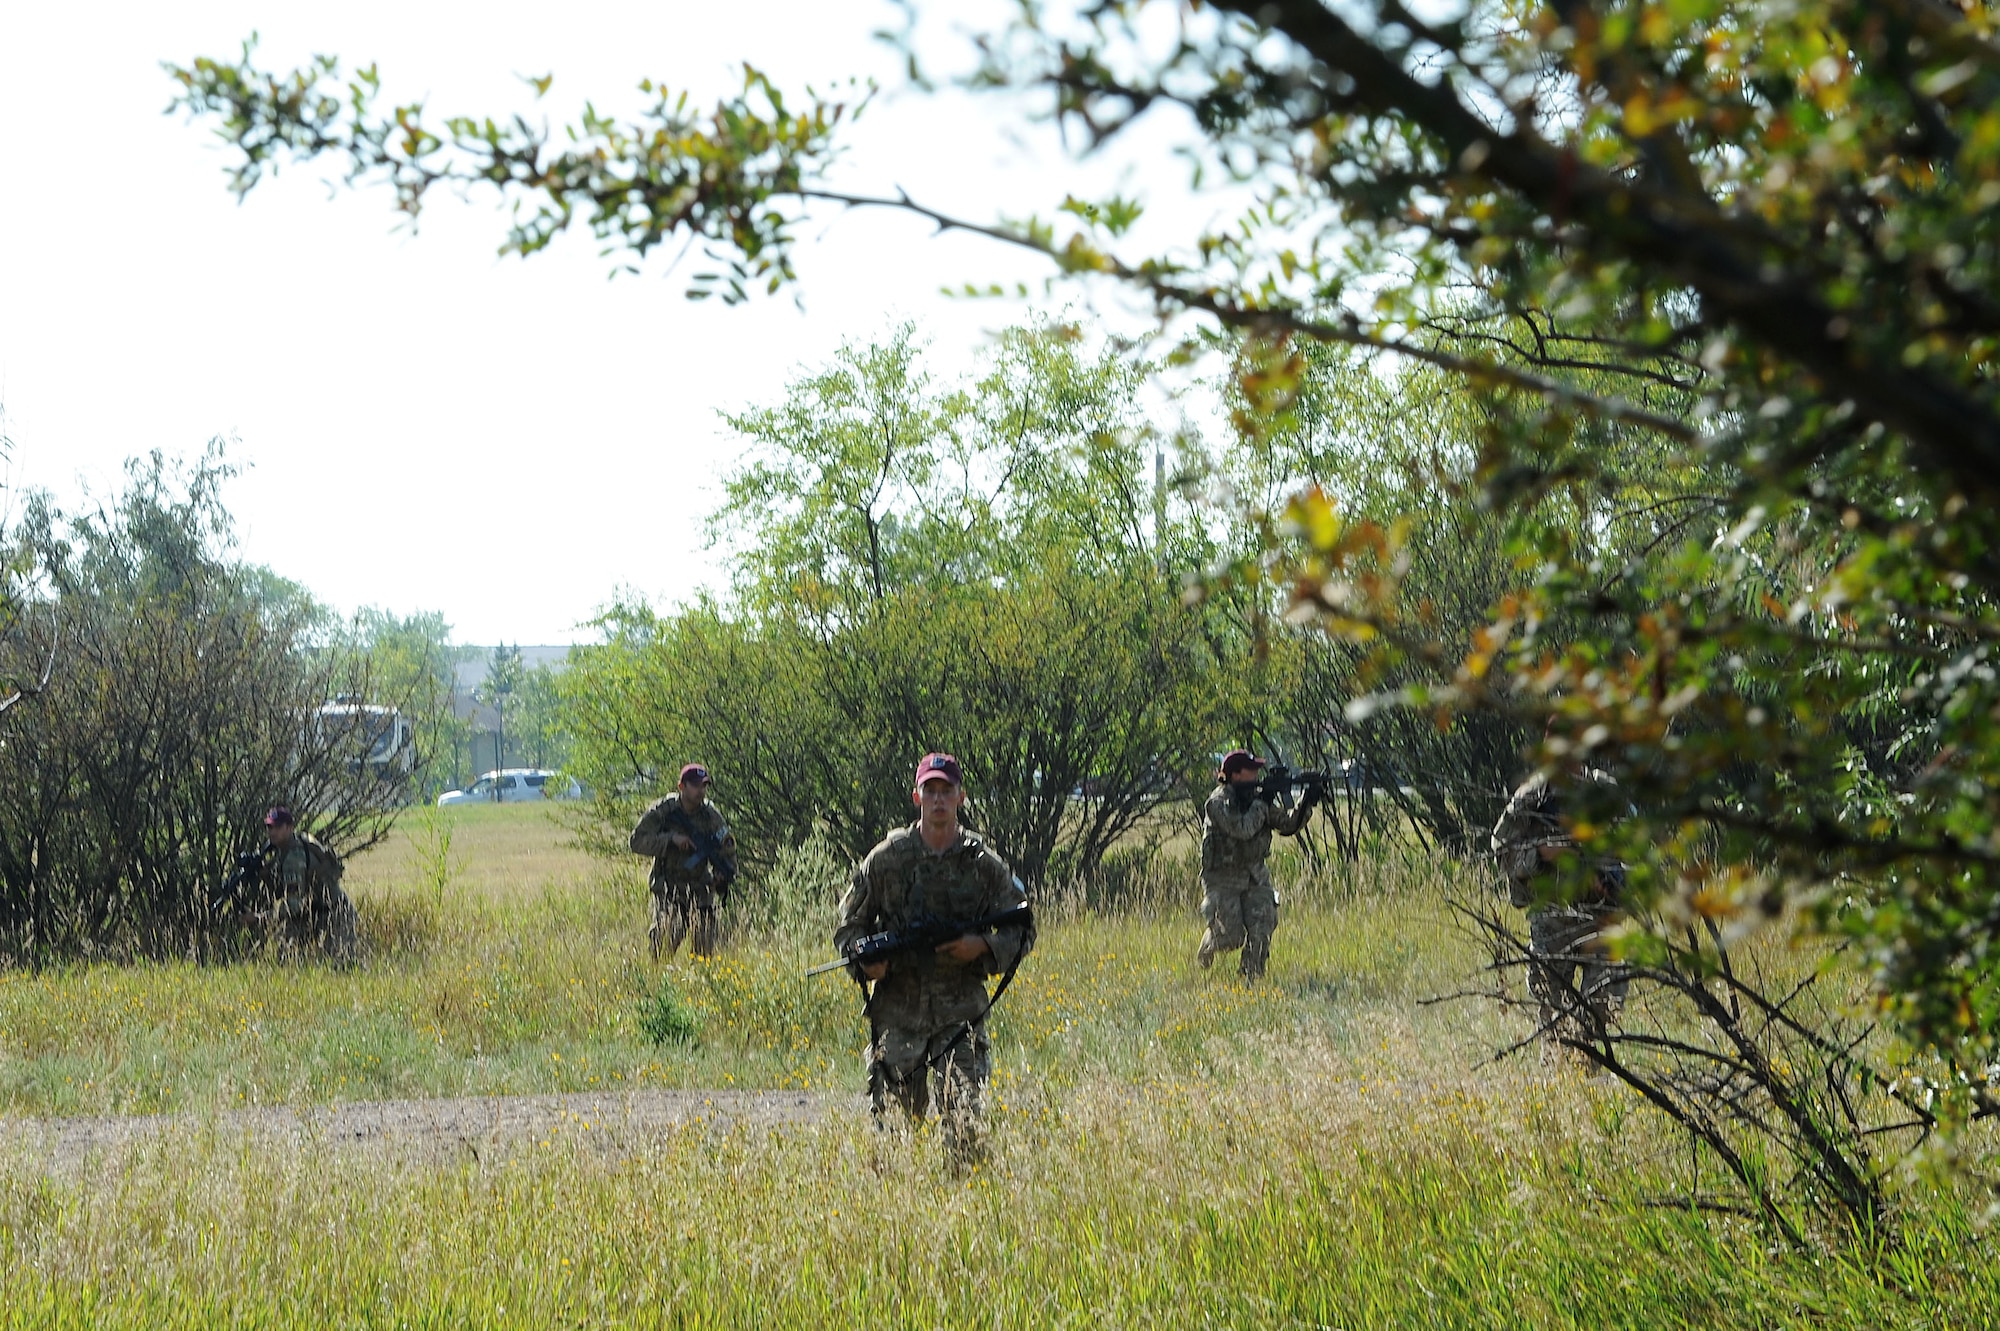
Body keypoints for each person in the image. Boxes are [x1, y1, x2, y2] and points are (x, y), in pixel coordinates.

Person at [833, 752, 1034, 1161]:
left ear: (960, 798)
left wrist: (982, 947)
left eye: (946, 791)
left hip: (960, 1013)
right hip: (898, 1014)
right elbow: (848, 928)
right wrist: (866, 963)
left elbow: (1024, 924)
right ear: (917, 796)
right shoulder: (887, 859)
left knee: (966, 1130)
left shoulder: (981, 863)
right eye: (931, 791)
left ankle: (967, 1213)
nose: (938, 799)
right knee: (892, 1135)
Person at [1491, 761, 1630, 1064]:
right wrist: (1540, 854)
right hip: (1551, 918)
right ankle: (1558, 1080)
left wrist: (1606, 876)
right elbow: (1501, 852)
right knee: (1551, 1011)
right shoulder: (1532, 796)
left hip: (1600, 916)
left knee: (1603, 1005)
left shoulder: (1604, 792)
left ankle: (1588, 1076)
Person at [1198, 750, 1317, 981]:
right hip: (1223, 880)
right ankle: (1208, 945)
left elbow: (1287, 824)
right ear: (1235, 775)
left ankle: (1251, 980)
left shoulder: (1255, 799)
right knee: (1231, 937)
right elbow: (1242, 829)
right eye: (1251, 770)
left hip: (1255, 876)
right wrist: (1263, 802)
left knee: (1263, 925)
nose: (1256, 775)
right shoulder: (1217, 803)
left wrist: (1307, 801)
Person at [630, 763, 737, 960]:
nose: (701, 791)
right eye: (696, 785)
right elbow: (636, 842)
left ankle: (699, 988)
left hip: (700, 889)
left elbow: (728, 849)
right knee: (662, 949)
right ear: (682, 787)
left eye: (704, 786)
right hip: (669, 889)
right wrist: (670, 840)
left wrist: (721, 876)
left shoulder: (711, 816)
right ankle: (657, 987)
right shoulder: (664, 811)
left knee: (705, 953)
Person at [260, 806, 357, 962]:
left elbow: (294, 907)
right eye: (269, 827)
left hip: (336, 914)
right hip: (313, 913)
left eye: (278, 827)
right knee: (286, 957)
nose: (272, 832)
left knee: (340, 965)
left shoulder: (294, 858)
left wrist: (259, 918)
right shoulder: (284, 851)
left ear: (290, 828)